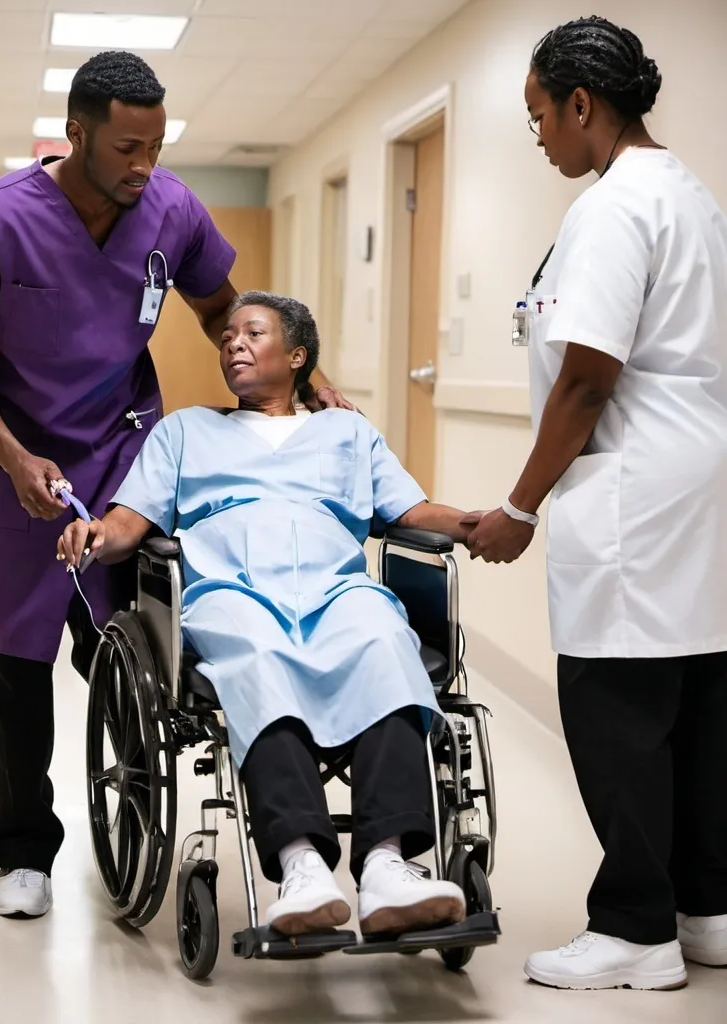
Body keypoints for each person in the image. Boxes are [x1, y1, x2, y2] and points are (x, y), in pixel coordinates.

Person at [0, 52, 352, 920]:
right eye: (126, 148)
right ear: (76, 133)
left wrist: (305, 374)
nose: (144, 166)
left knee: (131, 648)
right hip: (13, 469)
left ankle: (136, 808)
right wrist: (9, 453)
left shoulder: (171, 208)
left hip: (120, 460)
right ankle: (25, 850)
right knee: (7, 670)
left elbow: (223, 308)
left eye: (155, 146)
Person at [58, 292, 477, 936]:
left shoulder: (348, 431)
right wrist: (95, 534)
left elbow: (410, 513)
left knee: (385, 640)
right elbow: (129, 520)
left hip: (336, 590)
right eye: (226, 335)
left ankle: (388, 867)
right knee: (255, 657)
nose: (232, 342)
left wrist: (479, 524)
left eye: (252, 332)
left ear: (299, 356)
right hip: (231, 595)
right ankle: (302, 865)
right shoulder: (184, 432)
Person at [465, 17, 727, 990]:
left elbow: (585, 375)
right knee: (696, 702)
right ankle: (704, 909)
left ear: (582, 106)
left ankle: (631, 928)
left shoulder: (614, 206)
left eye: (539, 116)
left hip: (629, 489)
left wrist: (519, 507)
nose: (537, 136)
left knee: (614, 711)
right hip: (693, 485)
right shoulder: (692, 196)